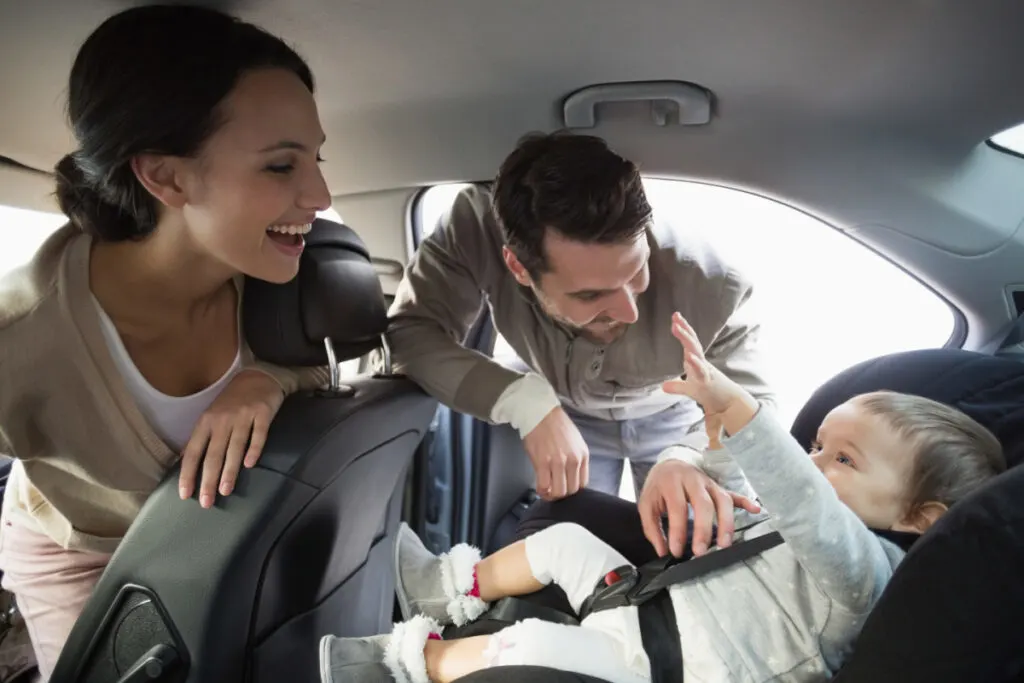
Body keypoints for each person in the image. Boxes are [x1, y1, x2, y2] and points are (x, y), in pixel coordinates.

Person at [320, 312, 1005, 683]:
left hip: (667, 669)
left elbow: (809, 509)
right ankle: (445, 585)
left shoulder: (867, 576)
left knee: (528, 643)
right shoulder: (796, 533)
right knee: (563, 542)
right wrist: (711, 441)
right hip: (646, 606)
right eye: (817, 444)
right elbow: (735, 497)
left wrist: (745, 414)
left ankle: (406, 664)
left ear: (919, 518)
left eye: (844, 458)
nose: (811, 461)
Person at [0, 6, 330, 677]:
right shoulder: (23, 337)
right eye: (280, 166)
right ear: (167, 176)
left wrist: (267, 379)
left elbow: (327, 371)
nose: (320, 194)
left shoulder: (288, 281)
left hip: (219, 540)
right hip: (79, 554)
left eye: (316, 159)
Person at [386, 131, 775, 507]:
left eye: (636, 271)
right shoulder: (473, 227)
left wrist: (690, 458)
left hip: (674, 416)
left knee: (690, 544)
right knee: (575, 540)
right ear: (518, 268)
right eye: (590, 294)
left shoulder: (715, 284)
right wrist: (523, 400)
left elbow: (757, 410)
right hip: (560, 409)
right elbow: (410, 332)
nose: (629, 311)